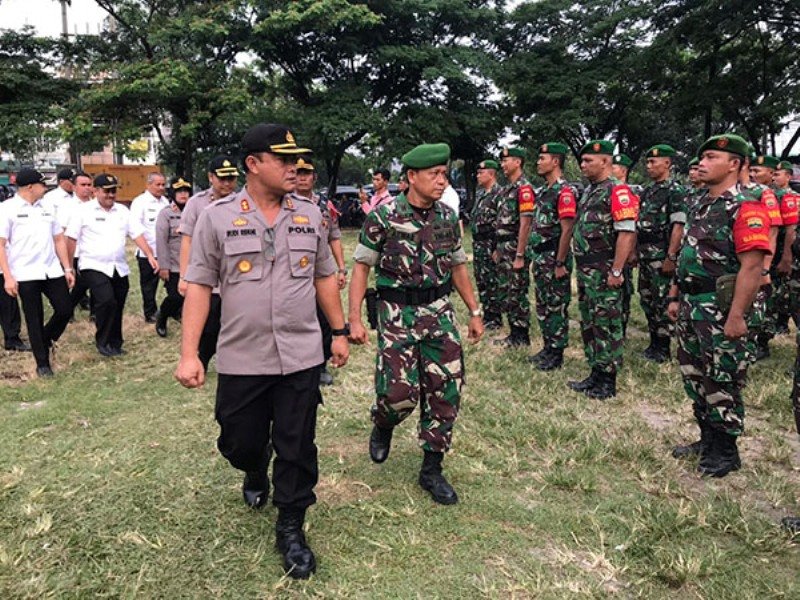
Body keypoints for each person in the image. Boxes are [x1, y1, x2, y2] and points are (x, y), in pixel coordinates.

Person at [175, 123, 349, 580]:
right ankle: (254, 470)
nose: (295, 168)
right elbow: (198, 288)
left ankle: (291, 524)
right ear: (253, 164)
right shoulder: (216, 217)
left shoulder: (312, 214)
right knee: (239, 442)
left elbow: (324, 276)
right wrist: (189, 353)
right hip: (242, 355)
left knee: (297, 445)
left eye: (297, 160)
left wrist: (340, 330)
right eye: (284, 160)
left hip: (300, 354)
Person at [349, 142, 483, 506]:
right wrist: (354, 319)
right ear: (411, 177)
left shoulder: (446, 217)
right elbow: (361, 267)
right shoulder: (384, 216)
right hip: (397, 316)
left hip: (439, 313)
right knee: (398, 395)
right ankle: (383, 422)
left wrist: (473, 311)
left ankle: (432, 469)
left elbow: (457, 265)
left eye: (444, 174)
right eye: (434, 174)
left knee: (446, 390)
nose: (442, 181)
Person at [668, 134, 771, 477]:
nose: (703, 163)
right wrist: (674, 295)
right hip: (692, 302)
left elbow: (752, 266)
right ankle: (706, 439)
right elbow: (687, 253)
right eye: (703, 157)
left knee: (722, 377)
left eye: (712, 157)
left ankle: (726, 450)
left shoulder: (747, 206)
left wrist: (738, 315)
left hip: (721, 306)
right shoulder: (700, 202)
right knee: (694, 374)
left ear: (735, 164)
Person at [568, 140, 639, 399]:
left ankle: (608, 381)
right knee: (590, 321)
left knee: (607, 323)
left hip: (605, 269)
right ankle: (595, 372)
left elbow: (626, 233)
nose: (582, 165)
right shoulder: (590, 190)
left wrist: (617, 271)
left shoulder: (618, 191)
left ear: (606, 162)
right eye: (582, 160)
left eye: (588, 161)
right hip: (588, 270)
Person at [65, 174, 158, 357]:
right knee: (106, 301)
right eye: (106, 191)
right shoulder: (83, 211)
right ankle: (103, 341)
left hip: (118, 266)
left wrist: (149, 254)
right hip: (93, 265)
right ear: (96, 191)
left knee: (118, 303)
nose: (110, 195)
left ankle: (115, 343)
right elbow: (71, 239)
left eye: (113, 191)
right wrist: (69, 267)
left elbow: (137, 234)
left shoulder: (122, 211)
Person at [0, 168, 75, 377]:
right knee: (34, 317)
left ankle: (46, 339)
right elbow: (1, 245)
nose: (46, 188)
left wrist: (67, 267)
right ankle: (42, 363)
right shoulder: (7, 209)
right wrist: (8, 276)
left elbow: (59, 238)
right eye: (43, 184)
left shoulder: (48, 207)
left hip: (51, 269)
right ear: (30, 187)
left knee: (65, 309)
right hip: (25, 272)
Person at [178, 156, 239, 371]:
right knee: (211, 323)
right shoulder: (197, 203)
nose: (227, 183)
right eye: (222, 178)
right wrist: (184, 276)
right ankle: (201, 358)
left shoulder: (242, 203)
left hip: (235, 274)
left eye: (231, 178)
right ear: (210, 177)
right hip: (207, 274)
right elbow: (187, 239)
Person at [294, 155, 348, 386]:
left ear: (314, 178)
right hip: (296, 269)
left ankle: (321, 364)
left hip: (321, 270)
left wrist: (342, 268)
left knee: (325, 317)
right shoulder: (285, 203)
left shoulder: (324, 205)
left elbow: (334, 237)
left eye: (306, 174)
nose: (302, 178)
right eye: (298, 173)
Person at [636, 144, 687, 363]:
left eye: (653, 162)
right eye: (647, 162)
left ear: (667, 163)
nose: (649, 166)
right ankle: (654, 341)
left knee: (662, 301)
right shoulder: (648, 190)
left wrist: (671, 256)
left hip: (661, 256)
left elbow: (678, 226)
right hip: (646, 255)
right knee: (647, 300)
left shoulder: (675, 190)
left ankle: (664, 346)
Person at [528, 142, 577, 370]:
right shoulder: (544, 191)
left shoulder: (564, 192)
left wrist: (559, 261)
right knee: (543, 304)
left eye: (542, 158)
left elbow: (567, 229)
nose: (538, 162)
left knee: (556, 305)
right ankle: (547, 347)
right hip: (540, 258)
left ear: (555, 162)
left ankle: (556, 352)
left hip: (554, 257)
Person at [493, 146, 535, 347]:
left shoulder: (524, 188)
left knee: (517, 290)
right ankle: (513, 331)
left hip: (514, 247)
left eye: (506, 161)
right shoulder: (506, 189)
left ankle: (521, 335)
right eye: (501, 161)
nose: (502, 165)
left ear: (517, 162)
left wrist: (520, 254)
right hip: (503, 246)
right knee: (507, 291)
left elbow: (525, 223)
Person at [744, 153, 784, 359]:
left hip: (765, 260)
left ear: (770, 173)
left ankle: (758, 344)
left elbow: (772, 231)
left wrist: (765, 267)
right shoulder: (748, 191)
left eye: (757, 171)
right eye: (751, 170)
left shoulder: (766, 194)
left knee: (761, 304)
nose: (753, 174)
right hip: (749, 257)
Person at [155, 177, 192, 337]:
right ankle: (162, 315)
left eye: (186, 191)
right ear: (173, 193)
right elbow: (161, 241)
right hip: (174, 264)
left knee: (191, 297)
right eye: (179, 191)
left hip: (193, 263)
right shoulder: (166, 214)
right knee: (176, 296)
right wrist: (163, 266)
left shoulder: (196, 211)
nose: (183, 195)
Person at [129, 172, 168, 322]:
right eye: (157, 184)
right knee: (149, 286)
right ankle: (150, 312)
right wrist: (148, 251)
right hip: (148, 252)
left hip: (165, 252)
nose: (161, 187)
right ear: (148, 185)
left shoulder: (165, 202)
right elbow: (136, 229)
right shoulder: (140, 202)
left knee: (171, 284)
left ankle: (173, 310)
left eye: (163, 184)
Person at [469, 159, 503, 330]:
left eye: (481, 173)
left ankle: (496, 317)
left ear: (491, 174)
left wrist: (497, 247)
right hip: (478, 244)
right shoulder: (481, 194)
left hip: (490, 243)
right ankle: (488, 314)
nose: (478, 175)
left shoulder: (499, 194)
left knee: (492, 280)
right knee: (481, 279)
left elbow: (501, 223)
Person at [611, 153, 637, 337]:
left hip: (622, 250)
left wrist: (631, 251)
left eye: (614, 166)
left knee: (623, 291)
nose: (610, 169)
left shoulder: (627, 193)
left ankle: (622, 327)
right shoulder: (608, 190)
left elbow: (631, 228)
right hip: (607, 252)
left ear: (623, 171)